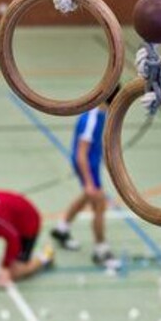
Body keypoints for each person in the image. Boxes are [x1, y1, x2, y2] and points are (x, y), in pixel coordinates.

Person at [50, 84, 120, 265]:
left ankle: (62, 228)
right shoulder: (92, 119)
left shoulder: (102, 115)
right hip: (86, 165)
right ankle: (101, 250)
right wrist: (89, 182)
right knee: (99, 206)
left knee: (88, 198)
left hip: (93, 164)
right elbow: (81, 154)